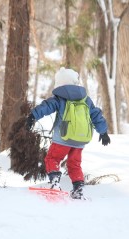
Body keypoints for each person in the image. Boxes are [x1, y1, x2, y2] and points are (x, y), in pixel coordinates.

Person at [26, 67, 110, 200]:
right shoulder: (85, 99)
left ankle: (54, 183)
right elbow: (96, 114)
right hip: (80, 140)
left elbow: (46, 107)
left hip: (63, 139)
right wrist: (103, 132)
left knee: (52, 159)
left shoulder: (59, 98)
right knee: (74, 164)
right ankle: (78, 189)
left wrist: (32, 116)